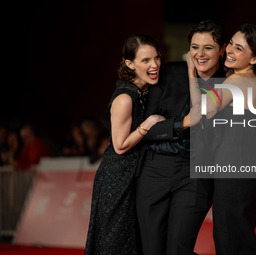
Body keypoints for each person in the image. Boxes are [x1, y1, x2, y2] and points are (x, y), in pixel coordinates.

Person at [136, 20, 227, 255]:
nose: (200, 54)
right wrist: (182, 124)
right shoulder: (168, 73)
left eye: (209, 47)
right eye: (195, 47)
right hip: (155, 170)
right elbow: (144, 130)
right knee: (152, 249)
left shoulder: (230, 84)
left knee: (178, 249)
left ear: (223, 49)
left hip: (195, 175)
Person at [187, 24, 256, 255]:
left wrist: (191, 73)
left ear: (254, 58)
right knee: (241, 243)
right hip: (251, 175)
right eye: (231, 44)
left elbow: (201, 111)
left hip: (231, 176)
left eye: (239, 48)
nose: (230, 51)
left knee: (230, 245)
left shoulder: (234, 83)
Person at [84, 34, 165, 255]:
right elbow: (119, 146)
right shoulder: (125, 98)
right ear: (130, 64)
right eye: (146, 60)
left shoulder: (142, 92)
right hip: (116, 178)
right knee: (113, 241)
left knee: (130, 241)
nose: (154, 65)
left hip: (133, 175)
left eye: (156, 58)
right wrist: (148, 123)